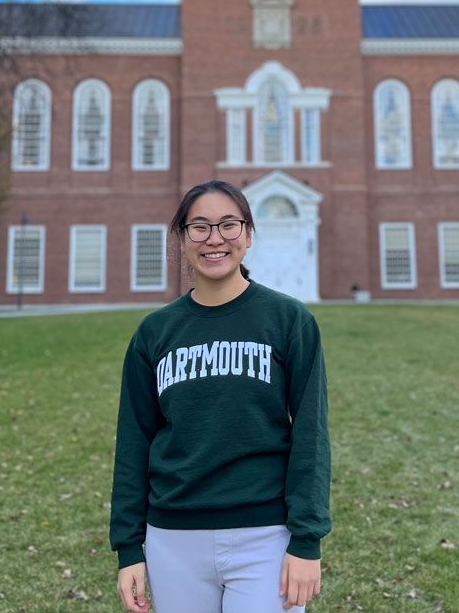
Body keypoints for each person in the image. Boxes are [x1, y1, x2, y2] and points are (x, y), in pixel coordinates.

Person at [110, 179, 331, 613]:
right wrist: (129, 549)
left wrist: (306, 541)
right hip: (173, 537)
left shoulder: (288, 321)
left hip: (266, 535)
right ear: (182, 239)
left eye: (229, 225)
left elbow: (312, 436)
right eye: (200, 227)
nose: (215, 239)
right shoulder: (154, 333)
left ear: (248, 235)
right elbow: (133, 443)